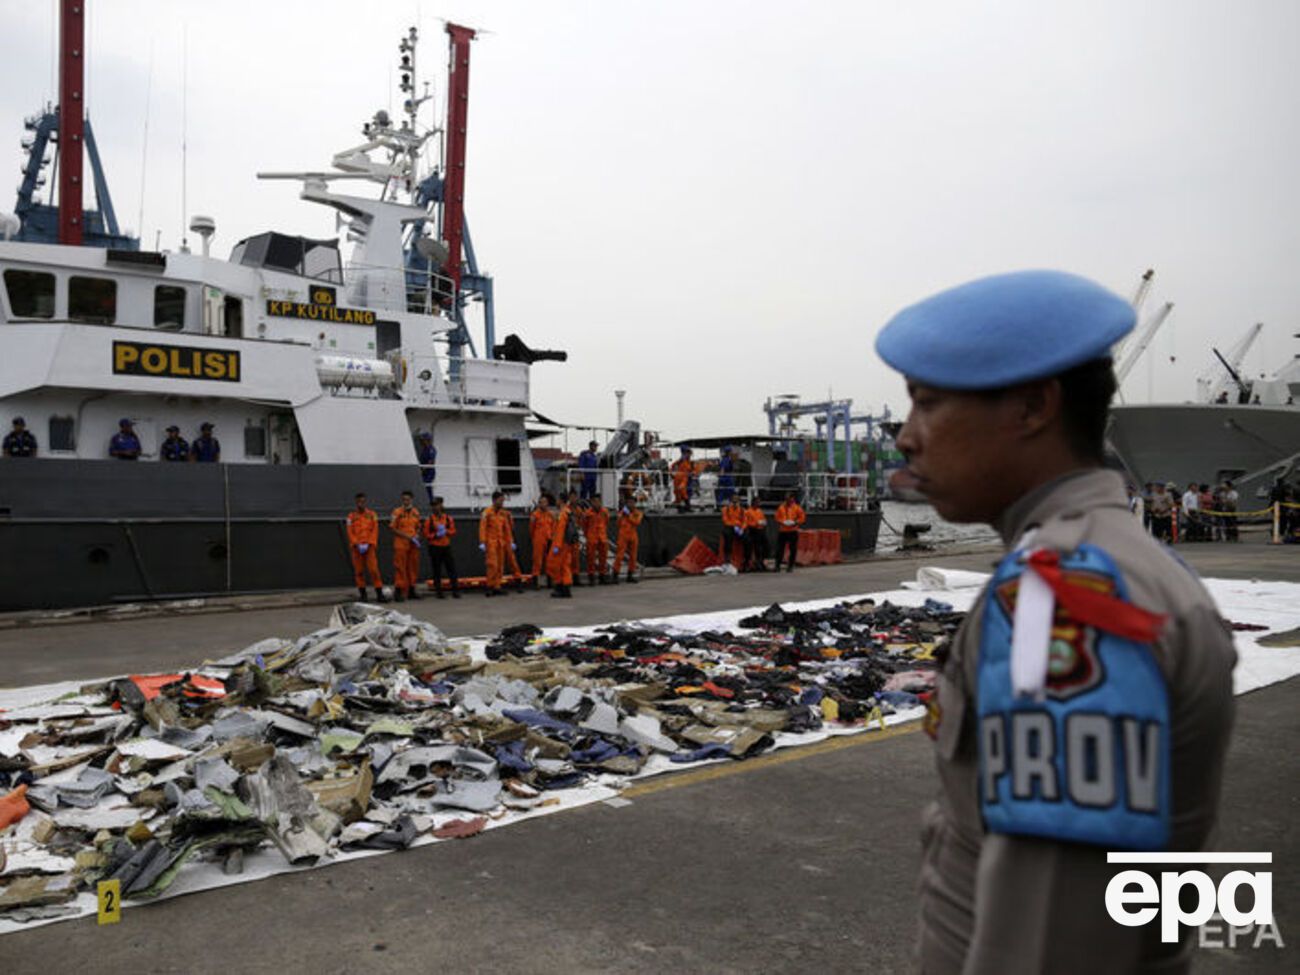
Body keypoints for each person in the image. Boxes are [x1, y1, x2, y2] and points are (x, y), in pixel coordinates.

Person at [875, 269, 1236, 973]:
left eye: (928, 403)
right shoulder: (1123, 561)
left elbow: (1051, 940)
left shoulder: (1066, 597)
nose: (906, 438)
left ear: (1034, 406)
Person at [345, 492, 386, 601]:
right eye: (359, 502)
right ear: (356, 503)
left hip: (369, 547)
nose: (361, 504)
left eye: (362, 502)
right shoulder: (351, 516)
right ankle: (363, 595)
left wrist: (370, 543)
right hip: (357, 548)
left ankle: (379, 593)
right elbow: (350, 531)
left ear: (365, 502)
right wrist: (356, 543)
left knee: (374, 570)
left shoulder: (372, 515)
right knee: (359, 571)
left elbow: (375, 529)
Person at [422, 495, 460, 599]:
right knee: (436, 570)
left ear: (441, 505)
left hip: (446, 546)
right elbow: (426, 534)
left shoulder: (448, 519)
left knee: (451, 569)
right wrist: (435, 535)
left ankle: (455, 591)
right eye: (433, 505)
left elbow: (453, 531)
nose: (435, 507)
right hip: (435, 547)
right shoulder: (429, 520)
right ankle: (439, 592)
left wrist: (446, 532)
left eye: (437, 505)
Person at [388, 490, 423, 601]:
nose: (406, 501)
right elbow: (392, 528)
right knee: (400, 567)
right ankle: (399, 591)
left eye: (407, 499)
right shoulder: (397, 512)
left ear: (411, 499)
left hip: (413, 544)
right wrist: (408, 537)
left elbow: (418, 526)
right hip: (401, 543)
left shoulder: (416, 512)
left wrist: (417, 535)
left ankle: (411, 590)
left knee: (413, 567)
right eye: (404, 499)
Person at [479, 491, 514, 597]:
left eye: (503, 500)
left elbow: (507, 529)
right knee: (492, 565)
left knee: (500, 565)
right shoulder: (487, 512)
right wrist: (482, 541)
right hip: (491, 543)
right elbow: (482, 527)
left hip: (500, 543)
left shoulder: (503, 514)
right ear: (494, 500)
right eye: (500, 500)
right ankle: (490, 586)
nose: (502, 503)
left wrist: (510, 541)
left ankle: (497, 586)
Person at [547, 494, 578, 598]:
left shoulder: (563, 514)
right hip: (566, 543)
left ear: (560, 501)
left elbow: (560, 531)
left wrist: (557, 545)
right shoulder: (568, 512)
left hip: (561, 544)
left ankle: (560, 587)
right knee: (565, 565)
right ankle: (566, 588)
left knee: (556, 565)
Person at [611, 497, 643, 584]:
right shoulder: (622, 513)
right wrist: (622, 515)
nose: (630, 504)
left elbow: (637, 522)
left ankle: (630, 575)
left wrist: (628, 515)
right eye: (629, 502)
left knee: (633, 557)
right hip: (623, 536)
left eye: (632, 503)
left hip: (633, 536)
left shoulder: (638, 513)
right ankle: (615, 574)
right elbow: (618, 523)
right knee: (619, 556)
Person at [773, 492, 806, 571]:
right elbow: (777, 517)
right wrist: (782, 522)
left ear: (793, 498)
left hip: (792, 530)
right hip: (783, 530)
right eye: (786, 499)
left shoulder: (797, 508)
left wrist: (795, 522)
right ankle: (777, 565)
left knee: (793, 549)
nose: (788, 500)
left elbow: (802, 518)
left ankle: (790, 566)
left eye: (789, 498)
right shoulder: (781, 507)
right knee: (779, 549)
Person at [529, 494, 556, 588]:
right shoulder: (535, 515)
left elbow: (553, 527)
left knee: (549, 561)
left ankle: (550, 581)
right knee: (537, 561)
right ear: (539, 504)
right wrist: (534, 539)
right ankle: (535, 581)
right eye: (541, 502)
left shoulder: (551, 515)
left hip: (549, 539)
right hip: (538, 540)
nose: (543, 504)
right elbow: (531, 529)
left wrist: (552, 538)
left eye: (545, 502)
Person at [583, 494, 610, 584]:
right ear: (591, 502)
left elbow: (606, 522)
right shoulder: (587, 513)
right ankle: (591, 577)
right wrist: (587, 535)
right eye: (594, 501)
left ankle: (602, 576)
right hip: (592, 537)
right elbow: (584, 525)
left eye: (598, 501)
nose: (596, 503)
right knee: (591, 558)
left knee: (603, 558)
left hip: (602, 537)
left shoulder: (604, 512)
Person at [743, 495, 769, 571]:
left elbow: (764, 520)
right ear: (753, 502)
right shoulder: (748, 512)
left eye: (759, 502)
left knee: (766, 545)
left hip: (760, 530)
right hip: (752, 531)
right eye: (757, 502)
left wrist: (763, 523)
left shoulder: (760, 511)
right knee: (754, 546)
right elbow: (747, 522)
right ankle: (750, 563)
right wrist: (757, 523)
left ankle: (761, 562)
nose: (759, 503)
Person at [720, 495, 746, 565]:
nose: (735, 503)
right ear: (731, 501)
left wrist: (742, 528)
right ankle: (727, 557)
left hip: (739, 528)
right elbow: (725, 520)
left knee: (747, 539)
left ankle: (746, 559)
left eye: (736, 501)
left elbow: (744, 521)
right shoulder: (725, 509)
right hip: (729, 527)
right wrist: (734, 525)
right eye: (733, 501)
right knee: (727, 536)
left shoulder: (742, 510)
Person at [416, 431, 437, 503]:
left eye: (423, 440)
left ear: (427, 440)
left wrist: (423, 470)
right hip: (424, 471)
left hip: (429, 472)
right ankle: (427, 500)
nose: (421, 442)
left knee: (427, 485)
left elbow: (431, 462)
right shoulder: (424, 449)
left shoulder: (431, 449)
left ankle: (431, 501)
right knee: (423, 485)